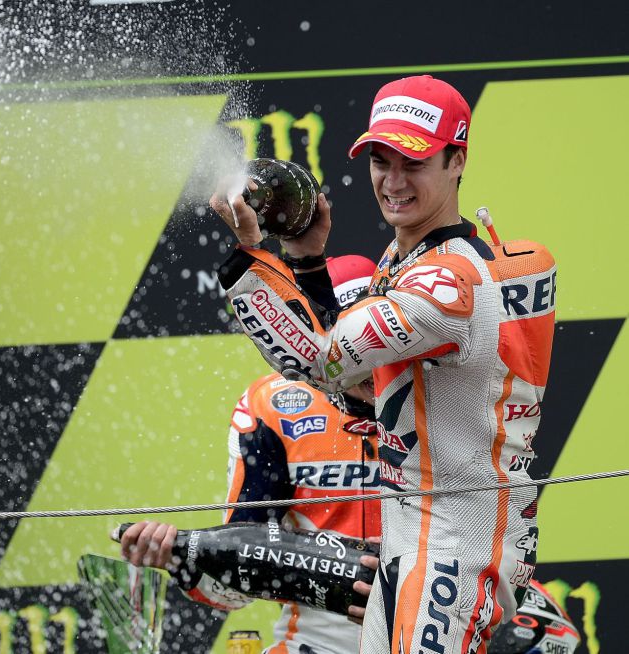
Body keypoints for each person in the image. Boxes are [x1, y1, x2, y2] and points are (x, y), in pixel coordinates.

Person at [207, 75, 557, 654]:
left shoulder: (444, 286)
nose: (392, 181)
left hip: (451, 544)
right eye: (380, 160)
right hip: (417, 532)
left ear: (457, 161)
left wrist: (249, 256)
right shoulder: (411, 259)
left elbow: (319, 362)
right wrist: (308, 262)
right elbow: (360, 387)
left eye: (413, 163)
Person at [120, 255, 383, 653]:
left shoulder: (454, 398)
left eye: (375, 341)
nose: (366, 362)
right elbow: (234, 589)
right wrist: (180, 558)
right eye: (347, 345)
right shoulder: (276, 408)